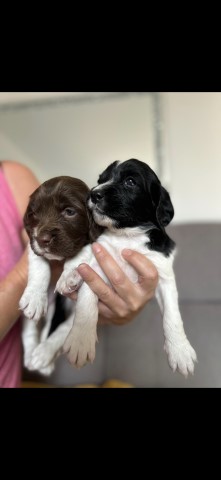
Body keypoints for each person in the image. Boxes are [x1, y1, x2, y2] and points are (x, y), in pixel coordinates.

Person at [0, 160, 158, 388]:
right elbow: (36, 253)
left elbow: (49, 257)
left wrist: (114, 305)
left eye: (69, 211)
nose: (43, 233)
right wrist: (26, 282)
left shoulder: (13, 176)